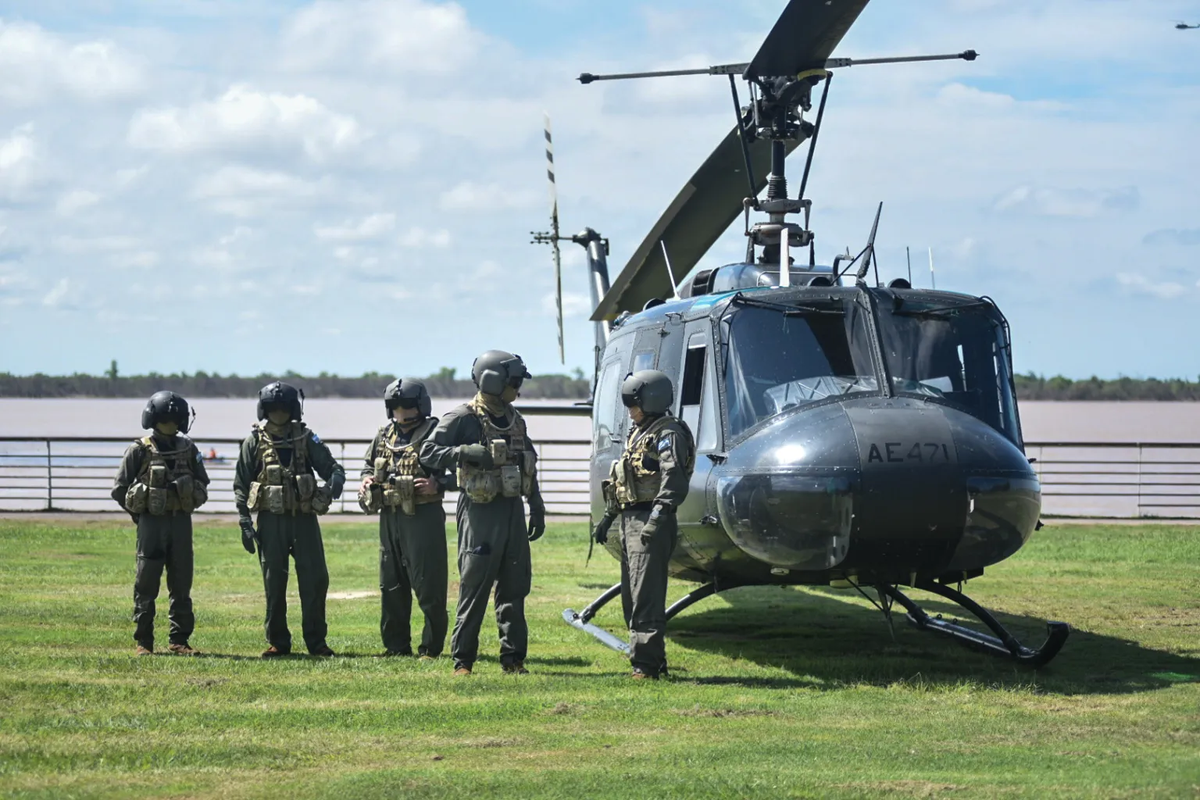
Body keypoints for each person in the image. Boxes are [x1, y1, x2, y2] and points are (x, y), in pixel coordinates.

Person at [419, 350, 546, 675]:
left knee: (515, 587)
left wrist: (536, 503)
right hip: (479, 512)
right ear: (495, 382)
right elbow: (428, 451)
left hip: (512, 511)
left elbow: (526, 461)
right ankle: (463, 660)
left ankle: (514, 658)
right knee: (474, 585)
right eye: (514, 382)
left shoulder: (516, 420)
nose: (518, 389)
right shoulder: (463, 417)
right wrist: (463, 452)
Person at [591, 370, 695, 680]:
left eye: (633, 403)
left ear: (650, 401)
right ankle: (649, 660)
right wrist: (609, 517)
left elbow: (673, 480)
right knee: (632, 595)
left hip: (649, 520)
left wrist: (657, 519)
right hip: (630, 520)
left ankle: (646, 666)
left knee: (645, 595)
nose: (629, 410)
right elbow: (624, 480)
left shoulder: (669, 433)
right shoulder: (640, 432)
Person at [233, 381, 345, 658]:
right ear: (264, 409)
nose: (279, 412)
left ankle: (317, 642)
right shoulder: (254, 442)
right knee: (274, 582)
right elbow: (240, 484)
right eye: (273, 407)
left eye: (284, 407)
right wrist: (245, 522)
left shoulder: (306, 439)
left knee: (315, 580)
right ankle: (278, 641)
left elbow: (334, 469)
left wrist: (329, 490)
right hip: (271, 522)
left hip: (304, 520)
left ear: (293, 409)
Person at [111, 391, 210, 656]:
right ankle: (144, 641)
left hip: (179, 523)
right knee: (146, 582)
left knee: (181, 583)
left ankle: (179, 640)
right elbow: (120, 489)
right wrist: (140, 512)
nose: (170, 423)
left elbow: (203, 486)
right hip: (151, 524)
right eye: (166, 418)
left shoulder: (189, 449)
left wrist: (185, 491)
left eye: (173, 419)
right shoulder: (139, 450)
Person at [359, 378, 449, 659]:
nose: (401, 411)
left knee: (428, 582)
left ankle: (430, 647)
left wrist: (438, 485)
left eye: (407, 405)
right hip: (390, 517)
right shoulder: (385, 435)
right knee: (391, 582)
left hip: (423, 517)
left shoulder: (437, 433)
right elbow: (366, 464)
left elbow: (461, 470)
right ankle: (396, 646)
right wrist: (366, 480)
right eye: (395, 406)